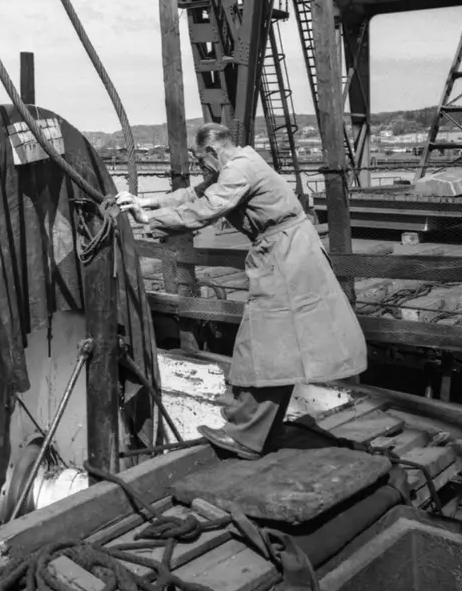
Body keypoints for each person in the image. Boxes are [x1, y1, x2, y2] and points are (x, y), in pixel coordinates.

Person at [117, 123, 367, 460]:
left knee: (265, 344)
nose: (200, 167)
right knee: (277, 345)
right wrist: (146, 202)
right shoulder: (239, 164)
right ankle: (261, 431)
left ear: (212, 151)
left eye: (200, 159)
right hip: (286, 254)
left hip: (286, 259)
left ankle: (246, 435)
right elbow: (194, 194)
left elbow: (206, 209)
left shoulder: (238, 170)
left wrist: (149, 221)